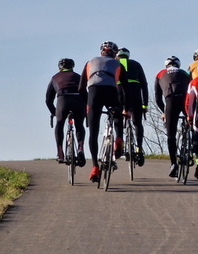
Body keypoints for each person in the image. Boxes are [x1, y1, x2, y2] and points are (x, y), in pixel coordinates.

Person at [78, 41, 130, 183]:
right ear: (114, 53)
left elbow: (81, 88)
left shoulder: (90, 62)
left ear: (101, 52)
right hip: (110, 91)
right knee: (117, 114)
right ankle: (119, 138)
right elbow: (126, 88)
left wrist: (87, 103)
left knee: (93, 132)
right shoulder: (118, 63)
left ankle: (95, 166)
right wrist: (126, 108)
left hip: (93, 93)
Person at [45, 58, 86, 166]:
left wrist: (54, 112)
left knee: (60, 124)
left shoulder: (55, 78)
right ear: (72, 67)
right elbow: (85, 93)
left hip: (63, 100)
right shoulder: (79, 77)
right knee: (79, 125)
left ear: (59, 68)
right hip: (78, 100)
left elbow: (48, 100)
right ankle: (80, 148)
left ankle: (60, 153)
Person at [154, 56, 190, 177]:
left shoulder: (160, 74)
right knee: (194, 124)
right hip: (185, 101)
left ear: (166, 65)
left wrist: (163, 111)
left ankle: (173, 163)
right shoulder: (185, 72)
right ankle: (194, 146)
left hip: (170, 101)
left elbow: (158, 98)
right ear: (178, 65)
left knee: (171, 135)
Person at [116, 47, 149, 166]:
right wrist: (145, 104)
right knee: (137, 122)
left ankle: (118, 144)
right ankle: (139, 148)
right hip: (135, 93)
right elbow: (144, 85)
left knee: (118, 119)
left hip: (119, 92)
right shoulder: (136, 64)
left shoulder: (115, 63)